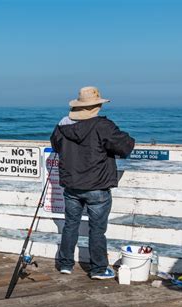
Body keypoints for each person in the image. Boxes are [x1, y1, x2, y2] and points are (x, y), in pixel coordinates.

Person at [50, 86, 135, 279]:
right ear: (96, 106)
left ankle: (65, 264)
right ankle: (98, 269)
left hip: (71, 186)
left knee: (70, 224)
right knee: (97, 229)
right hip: (97, 185)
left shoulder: (62, 125)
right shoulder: (102, 126)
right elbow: (124, 147)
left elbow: (55, 145)